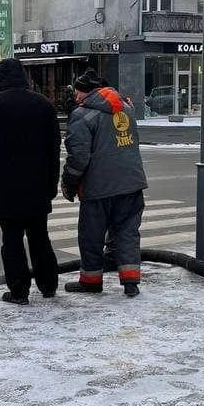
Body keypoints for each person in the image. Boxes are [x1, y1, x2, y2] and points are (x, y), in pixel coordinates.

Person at [0, 57, 61, 305]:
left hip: (6, 189)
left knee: (11, 241)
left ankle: (19, 291)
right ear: (24, 77)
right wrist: (51, 185)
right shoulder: (44, 105)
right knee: (40, 237)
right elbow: (54, 150)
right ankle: (48, 285)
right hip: (37, 188)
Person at [61, 68, 147, 298]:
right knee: (127, 233)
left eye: (78, 92)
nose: (76, 97)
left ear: (87, 93)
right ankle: (130, 282)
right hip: (132, 183)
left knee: (91, 235)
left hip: (99, 188)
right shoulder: (127, 109)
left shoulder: (82, 115)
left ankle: (91, 281)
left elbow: (78, 158)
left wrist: (69, 181)